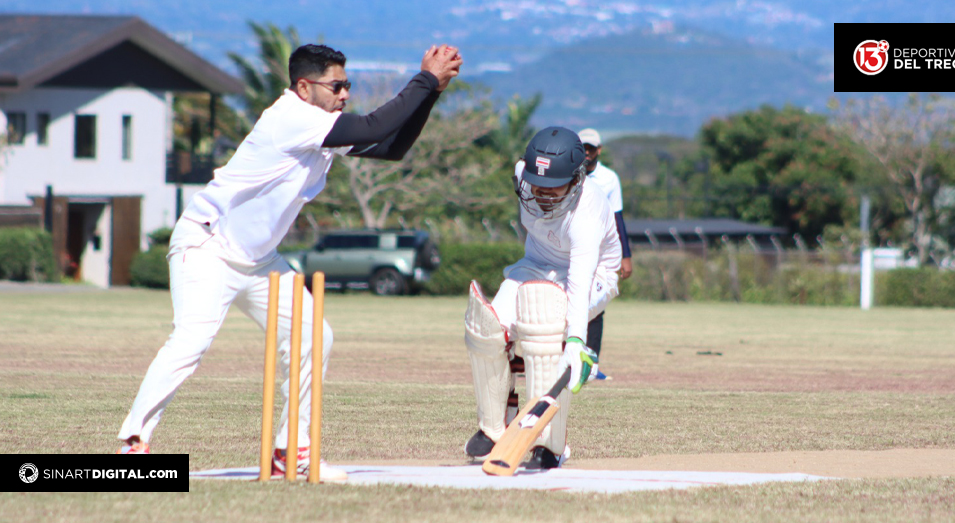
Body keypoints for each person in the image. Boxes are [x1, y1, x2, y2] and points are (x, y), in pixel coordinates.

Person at [115, 44, 463, 482]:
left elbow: (389, 146)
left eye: (347, 85)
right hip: (208, 245)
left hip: (259, 262)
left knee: (314, 337)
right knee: (191, 341)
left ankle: (290, 453)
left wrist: (432, 92)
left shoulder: (318, 126)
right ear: (304, 86)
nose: (344, 94)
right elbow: (377, 124)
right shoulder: (291, 118)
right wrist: (425, 79)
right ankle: (133, 444)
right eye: (337, 86)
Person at [463, 127, 621, 469]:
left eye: (554, 187)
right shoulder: (525, 176)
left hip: (594, 276)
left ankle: (552, 445)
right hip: (535, 265)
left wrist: (576, 341)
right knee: (486, 328)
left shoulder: (587, 213)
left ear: (577, 179)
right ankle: (493, 428)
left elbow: (579, 284)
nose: (544, 194)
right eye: (538, 184)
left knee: (545, 322)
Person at [577, 128, 632, 356]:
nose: (587, 152)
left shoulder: (609, 179)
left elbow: (617, 218)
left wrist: (625, 256)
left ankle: (591, 360)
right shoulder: (567, 174)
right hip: (572, 247)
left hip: (599, 250)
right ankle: (565, 355)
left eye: (591, 148)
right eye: (583, 148)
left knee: (596, 303)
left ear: (599, 150)